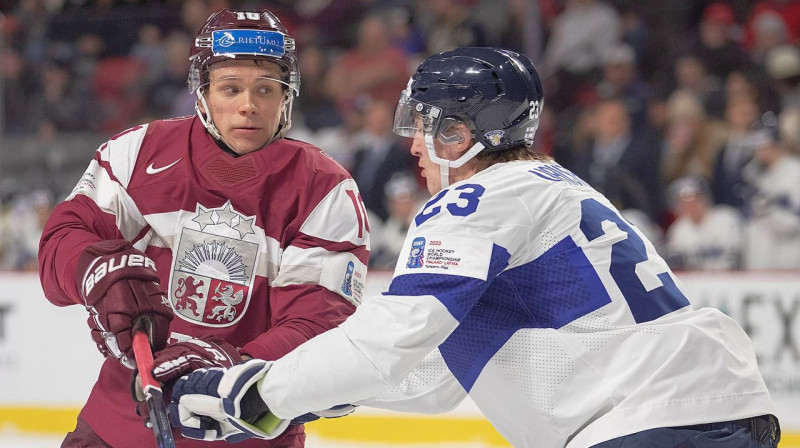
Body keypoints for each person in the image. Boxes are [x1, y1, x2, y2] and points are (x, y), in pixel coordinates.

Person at [169, 47, 779, 447]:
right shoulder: (549, 186)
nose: (414, 146)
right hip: (712, 414)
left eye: (425, 126)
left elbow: (390, 337)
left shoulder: (476, 198)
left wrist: (248, 390)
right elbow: (432, 376)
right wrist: (300, 394)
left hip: (650, 425)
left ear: (460, 133)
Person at [37, 8, 369, 448]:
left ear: (286, 96)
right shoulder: (137, 152)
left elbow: (316, 325)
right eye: (230, 88)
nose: (248, 105)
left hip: (246, 432)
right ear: (203, 93)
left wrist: (225, 364)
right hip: (118, 427)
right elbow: (64, 238)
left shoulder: (324, 188)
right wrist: (92, 271)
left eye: (265, 89)